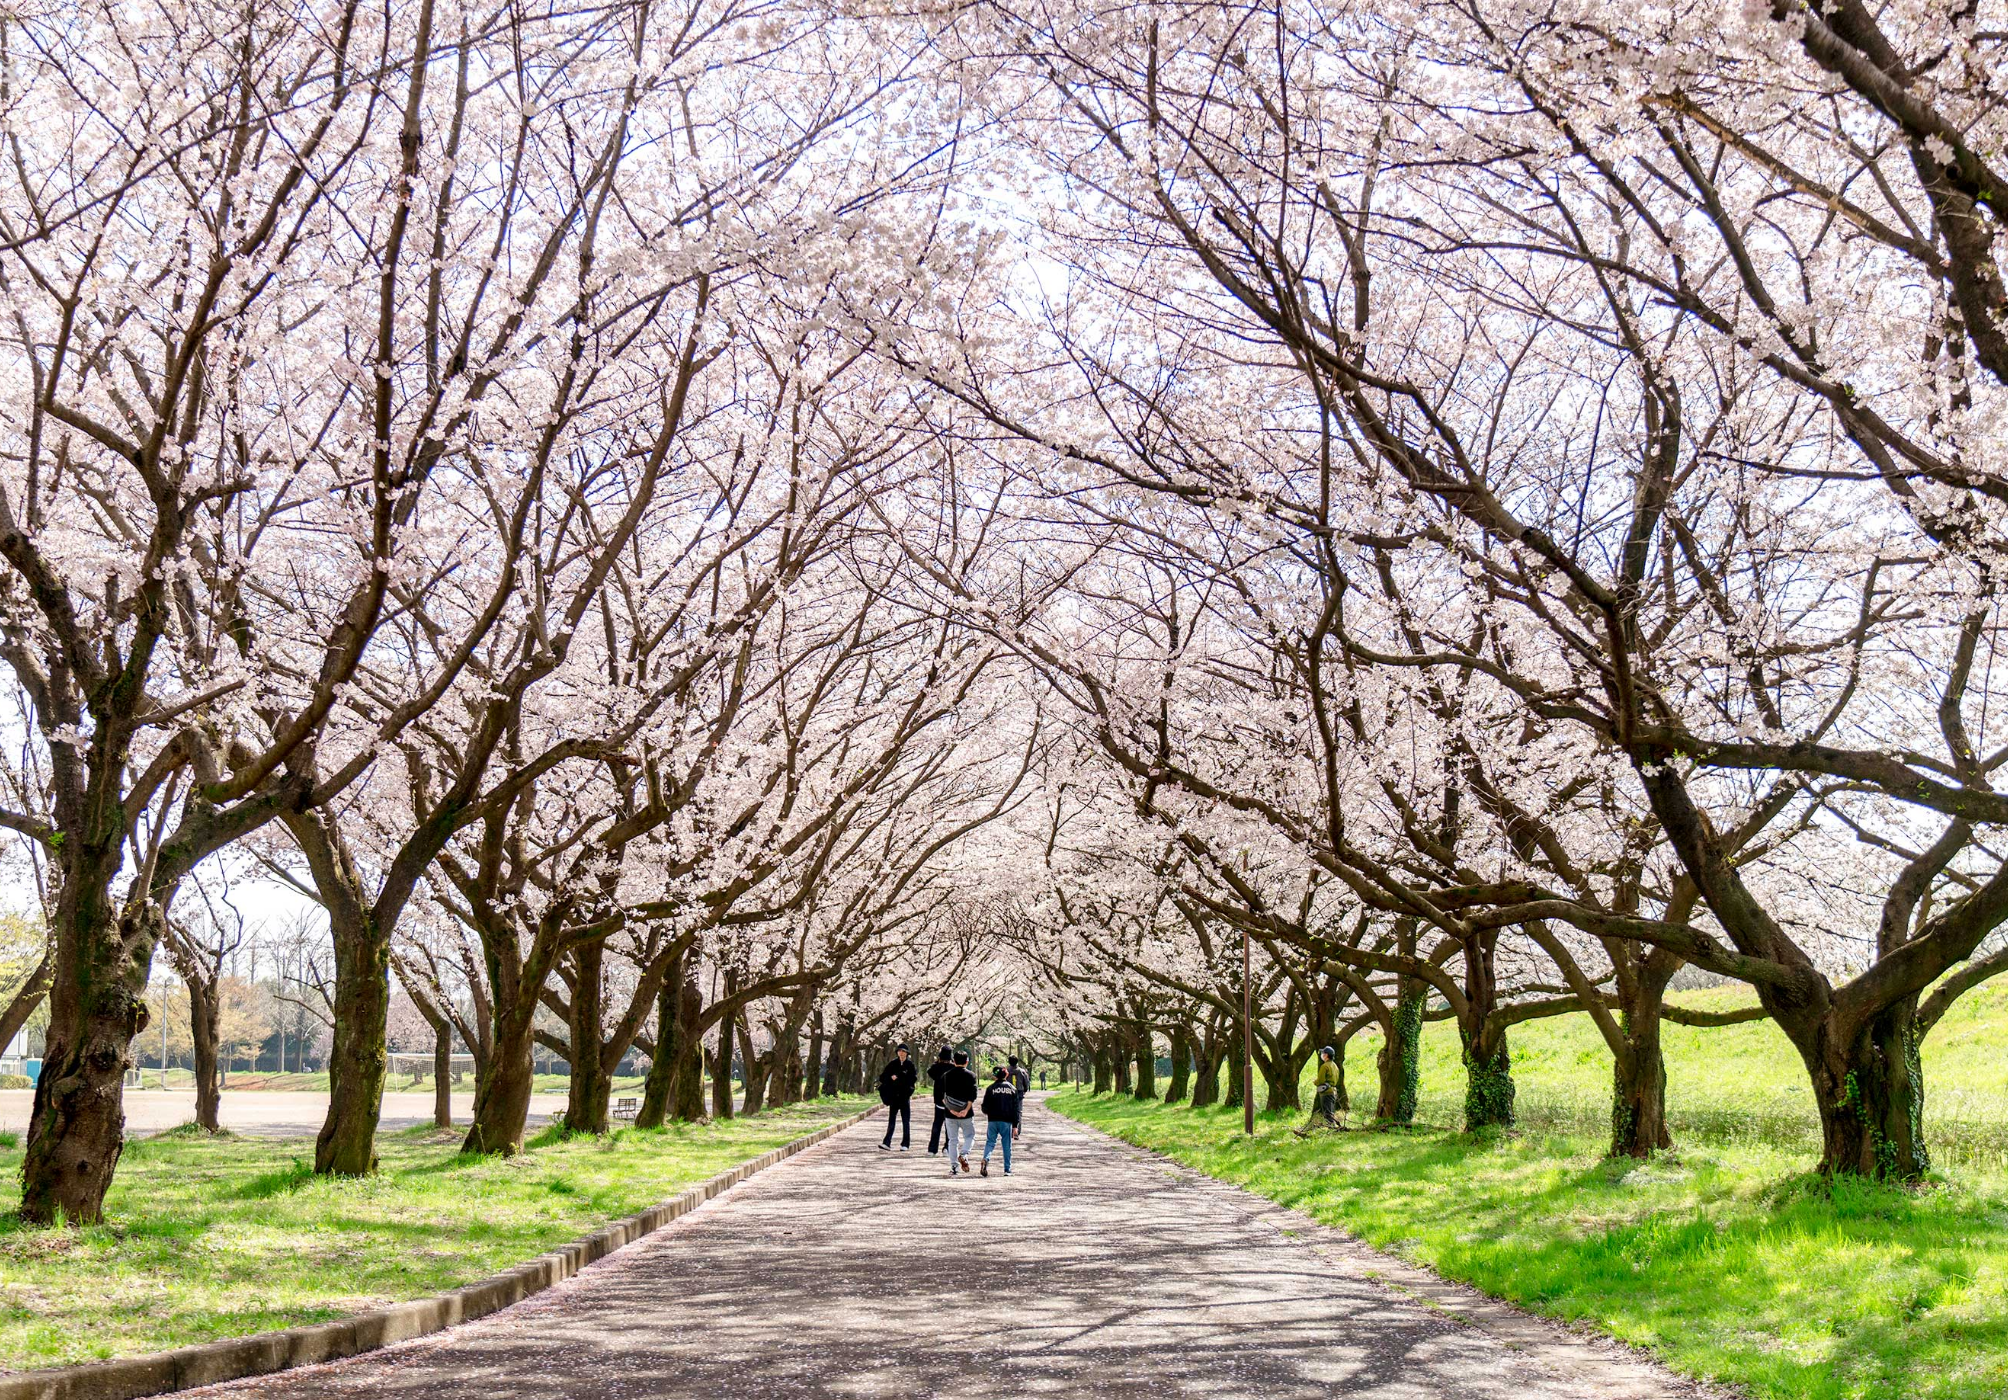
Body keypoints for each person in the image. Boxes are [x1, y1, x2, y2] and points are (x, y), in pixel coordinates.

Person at [939, 1049, 978, 1176]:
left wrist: (951, 1110)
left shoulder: (946, 1075)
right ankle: (964, 1153)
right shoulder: (971, 1075)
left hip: (950, 1114)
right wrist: (965, 1110)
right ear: (967, 1062)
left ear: (953, 1061)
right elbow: (973, 1095)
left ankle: (954, 1167)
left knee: (952, 1140)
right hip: (966, 1113)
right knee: (970, 1136)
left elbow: (941, 1096)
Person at [1294, 1045, 1343, 1137]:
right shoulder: (1335, 1066)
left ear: (1326, 1055)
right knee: (1331, 1110)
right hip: (1333, 1090)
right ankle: (1334, 1128)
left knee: (1327, 1113)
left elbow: (1321, 1080)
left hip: (1326, 1092)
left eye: (1323, 1053)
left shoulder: (1324, 1066)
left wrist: (1315, 1081)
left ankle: (1332, 1130)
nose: (1322, 1055)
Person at [980, 1065, 1021, 1176]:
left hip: (992, 1120)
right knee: (1006, 1145)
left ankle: (986, 1158)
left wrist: (988, 1112)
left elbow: (984, 1107)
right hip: (1006, 1121)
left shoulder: (990, 1089)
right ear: (1006, 1074)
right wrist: (1015, 1125)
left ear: (994, 1076)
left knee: (990, 1142)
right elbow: (1016, 1109)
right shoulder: (1012, 1089)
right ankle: (1007, 1169)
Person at [877, 1043, 917, 1151]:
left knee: (905, 1121)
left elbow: (912, 1080)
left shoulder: (910, 1065)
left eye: (903, 1051)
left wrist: (901, 1080)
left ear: (907, 1053)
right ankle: (887, 1142)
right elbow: (882, 1077)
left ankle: (905, 1144)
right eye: (899, 1051)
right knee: (891, 1120)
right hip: (894, 1097)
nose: (901, 1053)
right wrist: (891, 1078)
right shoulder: (892, 1064)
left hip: (904, 1097)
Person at [925, 1045, 953, 1155]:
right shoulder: (953, 1068)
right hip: (950, 1100)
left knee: (937, 1125)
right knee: (949, 1126)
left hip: (938, 1100)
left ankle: (932, 1149)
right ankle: (947, 1147)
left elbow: (929, 1071)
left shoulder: (936, 1068)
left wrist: (937, 1062)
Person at [1007, 1055, 1031, 1146]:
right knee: (1018, 1112)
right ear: (1017, 1062)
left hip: (1007, 1093)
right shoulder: (1022, 1071)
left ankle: (1009, 1131)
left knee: (1008, 1111)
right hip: (1019, 1093)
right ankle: (1017, 1130)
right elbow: (1026, 1083)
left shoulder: (1006, 1070)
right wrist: (1025, 1090)